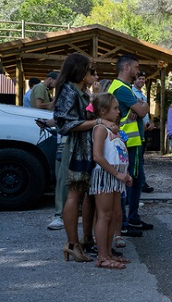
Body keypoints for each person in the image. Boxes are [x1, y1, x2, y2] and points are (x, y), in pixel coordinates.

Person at [53, 53, 99, 263]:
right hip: (75, 151)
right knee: (74, 195)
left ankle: (85, 239)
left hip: (86, 150)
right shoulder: (69, 91)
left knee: (87, 195)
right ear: (80, 71)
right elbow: (65, 124)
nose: (93, 73)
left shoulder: (79, 91)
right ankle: (72, 244)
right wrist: (98, 122)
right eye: (90, 70)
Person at [109, 56, 150, 236]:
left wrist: (140, 107)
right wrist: (143, 105)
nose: (138, 70)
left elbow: (139, 111)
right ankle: (124, 222)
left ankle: (131, 218)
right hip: (128, 143)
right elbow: (141, 111)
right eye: (136, 67)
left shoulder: (122, 87)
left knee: (136, 180)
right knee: (129, 181)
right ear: (126, 67)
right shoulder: (122, 89)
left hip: (131, 142)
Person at [90, 93, 132, 270]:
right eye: (115, 108)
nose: (118, 111)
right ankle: (102, 257)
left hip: (115, 177)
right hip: (106, 176)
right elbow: (98, 156)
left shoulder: (114, 130)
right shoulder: (100, 129)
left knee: (114, 215)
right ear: (102, 111)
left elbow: (120, 155)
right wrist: (117, 173)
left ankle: (108, 253)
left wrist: (126, 173)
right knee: (104, 215)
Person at [132, 71, 155, 193]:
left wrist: (150, 122)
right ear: (134, 80)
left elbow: (146, 113)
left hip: (145, 129)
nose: (141, 81)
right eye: (139, 78)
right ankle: (141, 183)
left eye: (143, 79)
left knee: (141, 157)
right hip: (136, 130)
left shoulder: (142, 95)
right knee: (138, 158)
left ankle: (140, 181)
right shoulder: (131, 92)